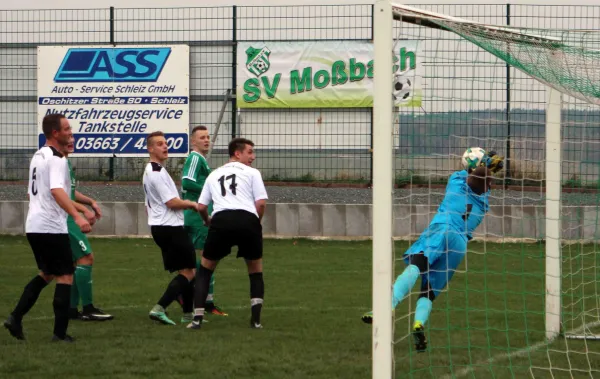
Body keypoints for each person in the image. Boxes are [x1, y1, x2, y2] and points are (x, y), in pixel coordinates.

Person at [362, 165, 499, 352]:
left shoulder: (456, 184)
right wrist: (488, 167)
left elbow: (465, 171)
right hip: (459, 244)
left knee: (416, 265)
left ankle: (387, 307)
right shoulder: (483, 203)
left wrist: (481, 161)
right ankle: (418, 323)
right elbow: (483, 183)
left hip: (443, 229)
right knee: (428, 292)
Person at [4, 114, 91, 342]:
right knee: (65, 276)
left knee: (47, 274)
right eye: (67, 129)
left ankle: (15, 317)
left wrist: (81, 209)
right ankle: (59, 335)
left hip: (34, 225)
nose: (71, 132)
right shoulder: (57, 159)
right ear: (55, 133)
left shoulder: (38, 155)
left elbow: (38, 193)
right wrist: (77, 216)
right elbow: (56, 191)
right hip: (51, 227)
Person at [188, 138, 268, 330]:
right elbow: (261, 203)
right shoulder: (252, 173)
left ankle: (197, 319)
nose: (253, 157)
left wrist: (208, 220)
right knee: (255, 271)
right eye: (249, 152)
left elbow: (200, 206)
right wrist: (255, 222)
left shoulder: (213, 174)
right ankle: (256, 321)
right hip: (248, 220)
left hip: (221, 220)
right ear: (237, 153)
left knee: (206, 269)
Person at [143, 131, 200, 325]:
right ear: (150, 148)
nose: (165, 147)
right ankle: (160, 308)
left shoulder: (153, 169)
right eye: (159, 144)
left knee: (186, 269)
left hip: (162, 226)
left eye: (166, 143)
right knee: (189, 272)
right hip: (169, 227)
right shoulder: (156, 172)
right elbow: (171, 202)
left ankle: (188, 315)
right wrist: (191, 204)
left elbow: (149, 203)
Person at [59, 137, 114, 321]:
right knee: (86, 257)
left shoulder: (65, 162)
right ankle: (88, 308)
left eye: (72, 138)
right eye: (67, 138)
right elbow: (61, 196)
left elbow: (71, 193)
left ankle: (71, 309)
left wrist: (90, 202)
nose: (71, 141)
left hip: (66, 218)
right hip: (64, 219)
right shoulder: (58, 163)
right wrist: (83, 210)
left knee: (76, 262)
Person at [180, 125, 227, 319]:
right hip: (198, 218)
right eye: (202, 138)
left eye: (208, 137)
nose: (206, 140)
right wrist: (210, 188)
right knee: (207, 259)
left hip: (197, 216)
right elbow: (186, 181)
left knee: (196, 260)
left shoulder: (201, 160)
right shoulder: (195, 158)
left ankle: (189, 296)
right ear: (193, 141)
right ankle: (205, 302)